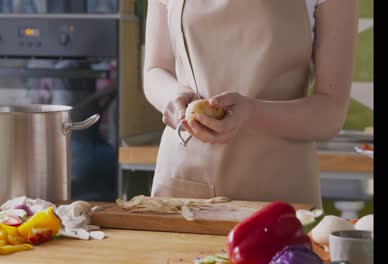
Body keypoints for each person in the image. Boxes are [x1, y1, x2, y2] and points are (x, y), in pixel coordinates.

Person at [143, 0, 358, 209]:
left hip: (279, 189)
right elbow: (155, 70)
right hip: (185, 181)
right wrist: (171, 95)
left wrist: (251, 113)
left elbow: (331, 111)